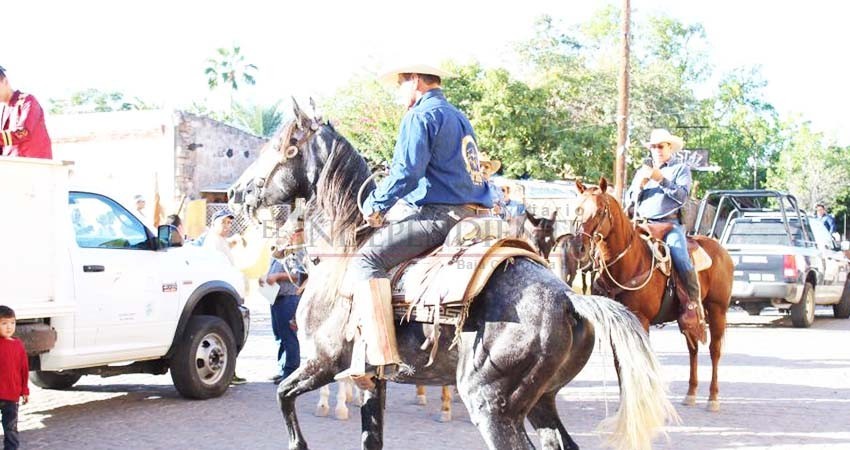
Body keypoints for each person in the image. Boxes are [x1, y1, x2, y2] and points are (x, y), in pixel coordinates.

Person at [335, 63, 495, 385]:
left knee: (367, 259)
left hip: (440, 217)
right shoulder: (459, 117)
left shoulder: (420, 115)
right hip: (478, 216)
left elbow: (407, 173)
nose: (398, 93)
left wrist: (375, 205)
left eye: (400, 84)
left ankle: (378, 357)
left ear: (416, 81)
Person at [625, 129, 705, 343]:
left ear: (670, 148)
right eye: (654, 146)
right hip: (642, 224)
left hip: (669, 225)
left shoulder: (680, 169)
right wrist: (638, 188)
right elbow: (629, 200)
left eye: (661, 146)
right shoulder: (641, 172)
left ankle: (692, 304)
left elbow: (682, 197)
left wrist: (661, 179)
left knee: (680, 256)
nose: (657, 150)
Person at [201, 209, 247, 384]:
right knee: (225, 333)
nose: (227, 226)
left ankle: (229, 371)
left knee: (228, 332)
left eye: (229, 223)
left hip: (225, 293)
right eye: (224, 222)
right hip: (219, 296)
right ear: (214, 224)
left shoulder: (220, 240)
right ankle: (227, 372)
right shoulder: (213, 241)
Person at [260, 229, 307, 385]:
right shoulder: (279, 253)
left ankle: (291, 373)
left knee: (289, 336)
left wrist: (276, 276)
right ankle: (283, 370)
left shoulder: (298, 253)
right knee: (280, 336)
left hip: (289, 298)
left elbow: (297, 275)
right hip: (276, 297)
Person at [0, 66, 52, 159]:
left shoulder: (27, 100)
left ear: (5, 81)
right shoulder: (4, 110)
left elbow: (23, 133)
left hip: (34, 164)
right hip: (12, 164)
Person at [0, 305, 29, 450]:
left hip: (11, 395)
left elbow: (24, 369)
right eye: (4, 323)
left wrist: (25, 390)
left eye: (12, 322)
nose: (9, 327)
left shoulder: (18, 345)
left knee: (11, 428)